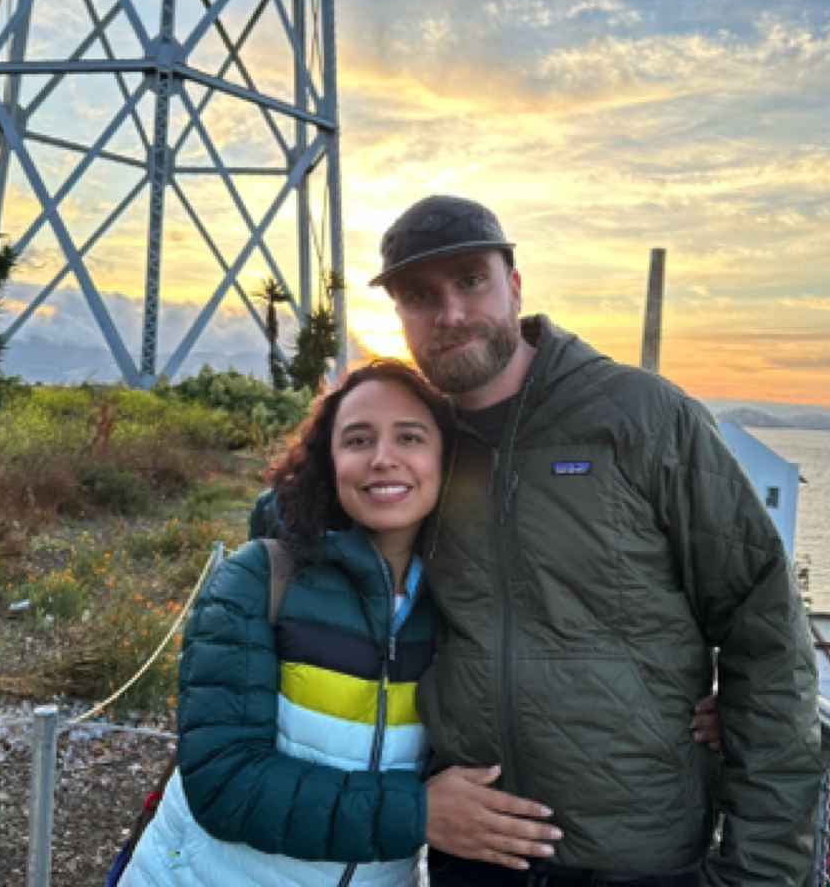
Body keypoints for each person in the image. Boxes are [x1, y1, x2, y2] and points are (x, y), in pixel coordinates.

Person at [364, 195, 823, 887]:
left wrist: (763, 872)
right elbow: (302, 523)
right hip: (477, 860)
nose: (450, 313)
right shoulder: (413, 446)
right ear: (399, 317)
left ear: (514, 286)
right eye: (420, 296)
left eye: (471, 281)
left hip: (642, 864)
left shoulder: (643, 415)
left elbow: (766, 627)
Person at [124, 359, 722, 887]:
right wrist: (419, 814)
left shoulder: (464, 602)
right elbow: (225, 782)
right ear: (329, 461)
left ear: (448, 458)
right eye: (357, 439)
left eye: (409, 437)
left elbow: (552, 672)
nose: (383, 458)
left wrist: (686, 706)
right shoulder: (260, 579)